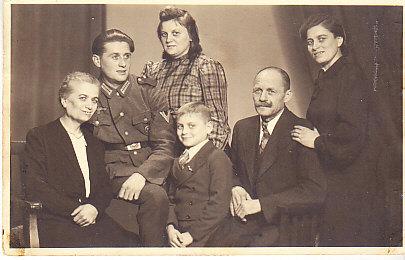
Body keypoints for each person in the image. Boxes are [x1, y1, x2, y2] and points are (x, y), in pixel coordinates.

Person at [291, 13, 385, 246]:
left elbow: (354, 134)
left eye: (322, 39)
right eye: (310, 42)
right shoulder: (325, 77)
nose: (314, 47)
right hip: (334, 175)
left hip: (354, 180)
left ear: (339, 40)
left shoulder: (351, 75)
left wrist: (316, 142)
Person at [208, 67, 326, 247]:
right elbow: (231, 168)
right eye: (258, 90)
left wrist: (262, 204)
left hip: (283, 222)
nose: (262, 98)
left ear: (287, 96)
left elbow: (313, 191)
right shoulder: (242, 128)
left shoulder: (303, 130)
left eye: (271, 91)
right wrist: (236, 186)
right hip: (244, 220)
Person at [24, 72, 135, 247]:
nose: (90, 106)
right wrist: (77, 211)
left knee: (134, 245)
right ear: (65, 101)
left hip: (92, 217)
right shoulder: (40, 136)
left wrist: (94, 208)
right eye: (83, 98)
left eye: (94, 100)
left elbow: (104, 187)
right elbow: (35, 186)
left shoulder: (94, 141)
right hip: (58, 220)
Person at [89, 29, 176, 247]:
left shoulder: (148, 91)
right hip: (112, 171)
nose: (122, 64)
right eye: (114, 56)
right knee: (155, 196)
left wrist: (142, 174)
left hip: (151, 166)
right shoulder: (89, 94)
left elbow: (165, 145)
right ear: (97, 60)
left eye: (126, 56)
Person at [142, 6, 230, 151]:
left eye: (175, 33)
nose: (168, 39)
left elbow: (218, 123)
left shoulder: (205, 67)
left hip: (199, 154)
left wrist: (203, 161)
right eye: (164, 34)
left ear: (191, 35)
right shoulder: (152, 71)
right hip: (162, 153)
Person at [166, 101, 232, 247]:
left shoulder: (217, 157)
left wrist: (192, 235)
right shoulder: (177, 160)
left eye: (192, 125)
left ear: (209, 127)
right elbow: (170, 198)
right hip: (178, 232)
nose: (184, 132)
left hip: (206, 234)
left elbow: (219, 205)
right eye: (180, 126)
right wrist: (170, 227)